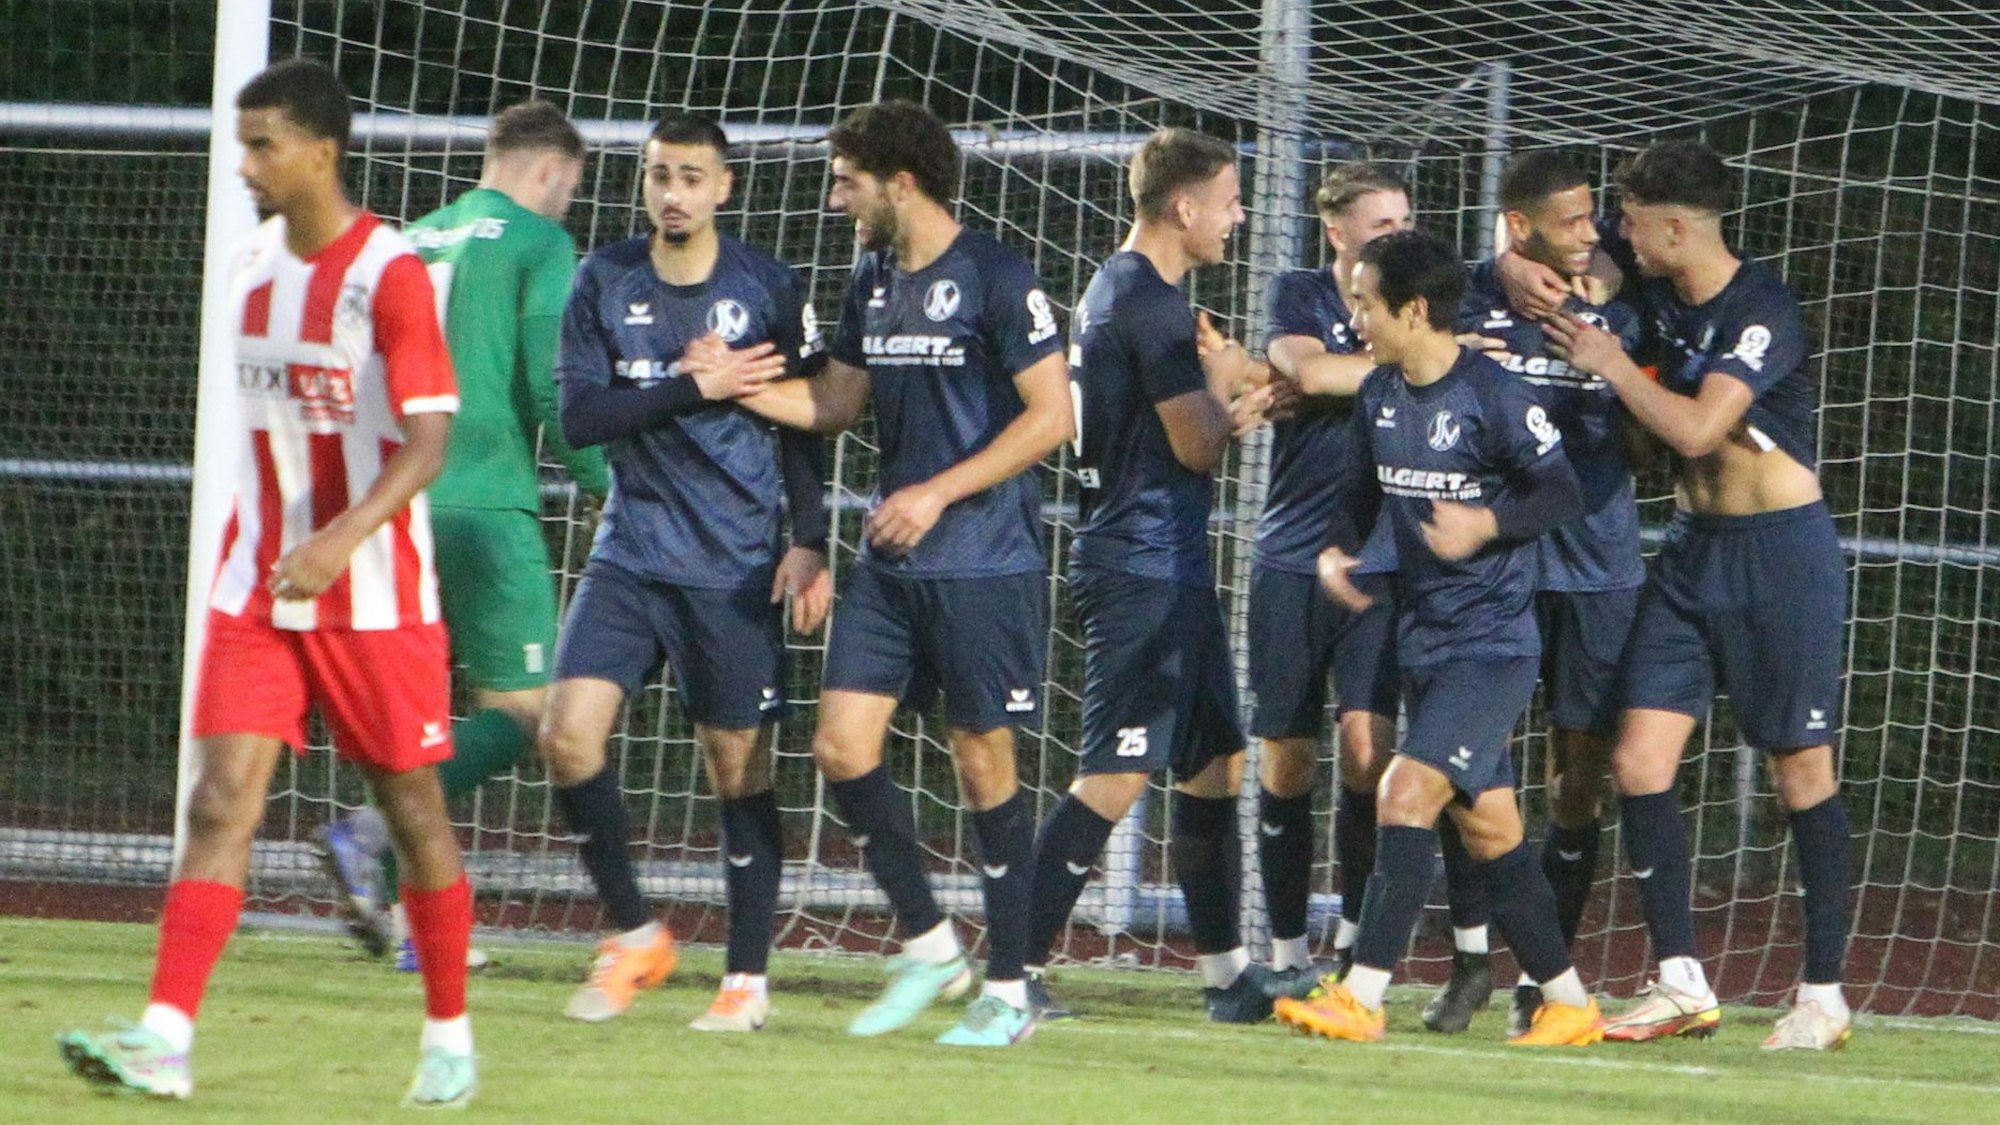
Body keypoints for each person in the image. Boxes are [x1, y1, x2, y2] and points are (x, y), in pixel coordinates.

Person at [57, 57, 477, 1107]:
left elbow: (428, 442)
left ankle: (449, 1035)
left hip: (373, 594)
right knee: (217, 801)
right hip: (258, 587)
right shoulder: (246, 263)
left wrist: (341, 538)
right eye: (242, 144)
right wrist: (295, 545)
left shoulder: (391, 273)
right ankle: (165, 1038)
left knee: (413, 811)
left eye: (263, 144)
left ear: (322, 151)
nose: (244, 164)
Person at [736, 99, 1072, 1047]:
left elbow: (1051, 416)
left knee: (982, 760)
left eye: (848, 180)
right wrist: (721, 383)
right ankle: (930, 942)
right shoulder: (872, 276)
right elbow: (837, 401)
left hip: (983, 559)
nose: (836, 196)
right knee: (841, 746)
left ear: (902, 182)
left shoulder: (999, 277)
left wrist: (935, 491)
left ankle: (1009, 987)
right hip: (891, 561)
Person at [1544, 140, 1854, 1050]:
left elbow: (1697, 426)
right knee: (1637, 762)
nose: (1622, 238)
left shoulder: (1762, 308)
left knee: (1801, 770)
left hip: (1780, 556)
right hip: (1689, 551)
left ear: (1678, 228)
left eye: (1635, 225)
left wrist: (1609, 362)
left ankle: (1825, 994)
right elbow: (1540, 236)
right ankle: (1681, 980)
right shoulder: (1647, 283)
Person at [533, 113, 832, 1029]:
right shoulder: (603, 278)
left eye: (693, 177)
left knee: (737, 770)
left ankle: (745, 979)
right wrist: (690, 383)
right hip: (631, 553)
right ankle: (634, 932)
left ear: (724, 189)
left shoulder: (768, 285)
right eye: (661, 174)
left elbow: (809, 419)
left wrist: (811, 537)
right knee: (566, 734)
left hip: (734, 565)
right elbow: (580, 419)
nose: (673, 193)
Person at [1271, 229, 1603, 1047]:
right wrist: (1336, 553)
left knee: (1403, 792)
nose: (1355, 321)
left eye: (1365, 304)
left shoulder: (1493, 395)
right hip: (1424, 640)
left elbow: (1562, 493)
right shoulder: (1382, 392)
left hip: (1490, 648)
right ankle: (1567, 1001)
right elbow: (1358, 493)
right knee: (1491, 830)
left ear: (1413, 310)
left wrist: (1486, 521)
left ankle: (1363, 994)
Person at [313, 99, 611, 972]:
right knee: (526, 712)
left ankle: (415, 931)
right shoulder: (539, 242)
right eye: (571, 188)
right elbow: (555, 385)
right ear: (552, 170)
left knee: (419, 722)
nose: (567, 206)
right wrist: (606, 486)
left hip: (394, 499)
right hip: (484, 504)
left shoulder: (407, 239)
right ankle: (365, 830)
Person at [1020, 126, 1281, 1026]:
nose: (1237, 216)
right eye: (1230, 199)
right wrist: (1226, 386)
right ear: (1184, 207)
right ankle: (1011, 967)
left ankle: (1225, 977)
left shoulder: (1120, 284)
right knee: (1116, 772)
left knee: (1214, 763)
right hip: (1140, 565)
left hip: (1166, 562)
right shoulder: (1153, 303)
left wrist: (1227, 394)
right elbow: (1196, 442)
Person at [1432, 151, 1646, 1034]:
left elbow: (1646, 435)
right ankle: (1471, 956)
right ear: (1518, 227)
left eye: (1594, 217)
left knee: (1578, 780)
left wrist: (1615, 361)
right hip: (1492, 564)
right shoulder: (1466, 294)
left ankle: (1544, 980)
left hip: (1596, 561)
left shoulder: (1621, 299)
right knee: (1468, 765)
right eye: (1571, 220)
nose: (1591, 233)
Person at [1251, 163, 1410, 999]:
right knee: (1286, 759)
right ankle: (1282, 949)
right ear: (1339, 232)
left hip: (1378, 559)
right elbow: (1305, 370)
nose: (1395, 236)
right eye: (1379, 224)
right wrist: (1399, 367)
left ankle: (1351, 946)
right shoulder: (1299, 292)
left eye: (1403, 222)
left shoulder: (1409, 301)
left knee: (1367, 752)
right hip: (1289, 554)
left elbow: (1326, 381)